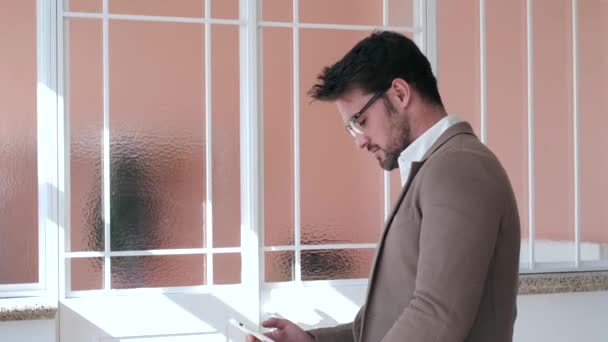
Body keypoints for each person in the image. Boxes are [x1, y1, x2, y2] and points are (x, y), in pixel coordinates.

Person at [247, 30, 520, 342]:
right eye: (352, 128)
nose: (360, 141)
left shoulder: (459, 167)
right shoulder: (433, 168)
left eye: (360, 121)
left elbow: (436, 317)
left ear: (400, 94)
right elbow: (384, 322)